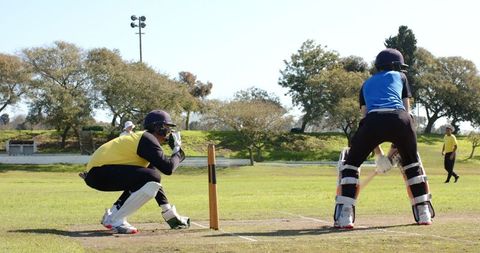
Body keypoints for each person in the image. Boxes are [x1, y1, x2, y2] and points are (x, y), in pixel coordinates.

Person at [333, 48, 435, 229]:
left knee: (350, 165)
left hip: (373, 121)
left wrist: (379, 155)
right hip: (400, 120)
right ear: (396, 65)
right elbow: (406, 113)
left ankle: (345, 215)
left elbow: (367, 120)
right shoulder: (401, 77)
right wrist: (393, 153)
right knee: (412, 164)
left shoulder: (365, 84)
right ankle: (423, 211)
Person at [79, 110, 190, 234]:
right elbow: (168, 168)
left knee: (149, 177)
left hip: (97, 173)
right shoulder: (147, 139)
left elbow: (154, 181)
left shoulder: (143, 139)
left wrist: (168, 211)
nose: (169, 133)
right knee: (151, 176)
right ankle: (115, 219)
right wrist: (177, 152)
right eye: (168, 128)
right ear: (159, 127)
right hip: (100, 172)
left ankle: (112, 216)